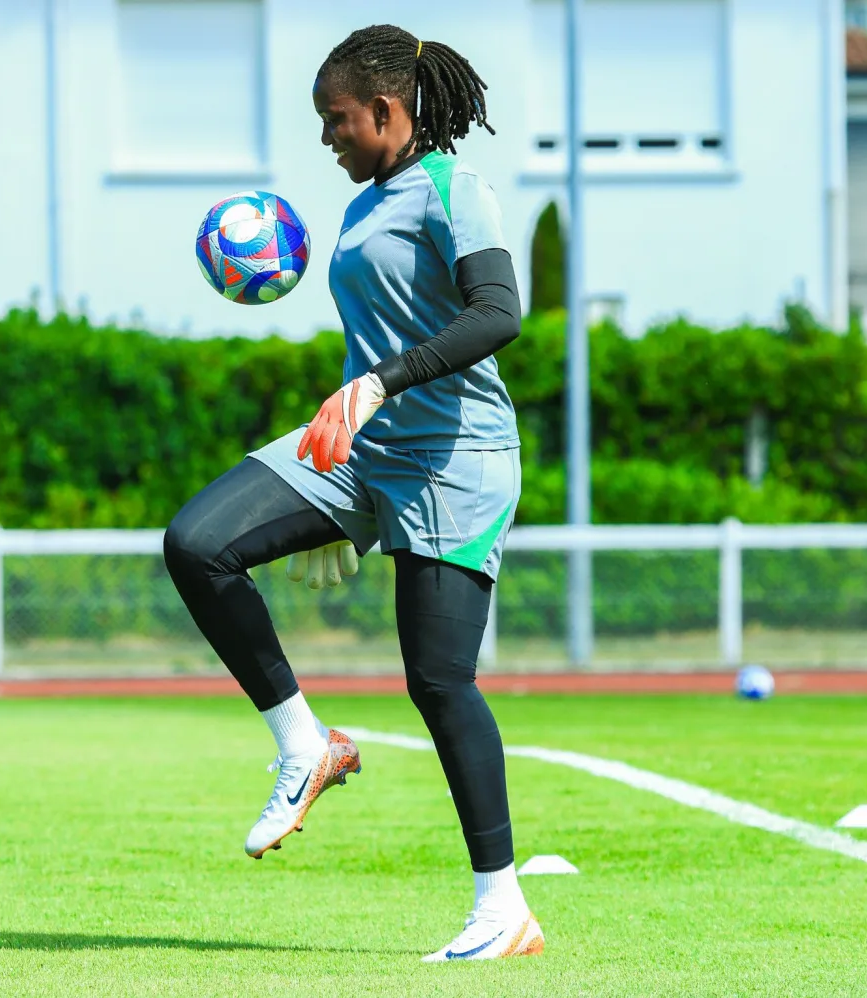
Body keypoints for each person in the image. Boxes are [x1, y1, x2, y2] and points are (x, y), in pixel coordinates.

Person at [163, 23, 542, 963]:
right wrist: (335, 488)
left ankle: (504, 909)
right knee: (197, 543)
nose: (327, 137)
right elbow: (372, 336)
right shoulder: (366, 202)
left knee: (439, 680)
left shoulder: (457, 190)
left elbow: (500, 315)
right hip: (363, 451)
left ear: (385, 109)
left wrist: (381, 384)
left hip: (458, 461)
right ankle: (305, 745)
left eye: (336, 120)